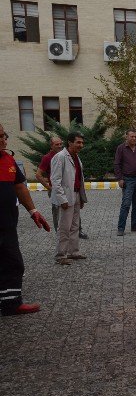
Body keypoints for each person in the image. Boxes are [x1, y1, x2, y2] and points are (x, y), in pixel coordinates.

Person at [0, 125, 50, 316]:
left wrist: (33, 210)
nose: (4, 140)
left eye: (4, 135)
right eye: (0, 136)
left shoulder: (8, 159)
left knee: (13, 262)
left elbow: (20, 187)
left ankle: (11, 304)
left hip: (7, 225)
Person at [50, 132, 88, 265]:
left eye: (82, 142)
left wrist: (82, 198)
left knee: (75, 226)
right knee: (64, 227)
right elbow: (55, 180)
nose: (81, 145)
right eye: (78, 142)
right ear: (70, 142)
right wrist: (62, 199)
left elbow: (79, 178)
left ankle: (73, 252)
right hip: (66, 197)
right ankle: (61, 255)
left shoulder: (76, 157)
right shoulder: (60, 157)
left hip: (76, 195)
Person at [114, 129, 136, 236]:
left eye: (135, 136)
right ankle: (121, 228)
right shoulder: (121, 148)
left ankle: (134, 226)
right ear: (126, 137)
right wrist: (120, 178)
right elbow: (117, 164)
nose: (134, 138)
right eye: (132, 136)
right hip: (128, 180)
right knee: (126, 204)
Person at [35, 137, 63, 229]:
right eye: (57, 144)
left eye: (60, 144)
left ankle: (77, 230)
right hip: (55, 190)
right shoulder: (47, 158)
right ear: (51, 146)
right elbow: (38, 175)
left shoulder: (64, 155)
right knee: (57, 213)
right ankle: (58, 232)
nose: (59, 146)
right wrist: (50, 188)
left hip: (67, 188)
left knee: (72, 210)